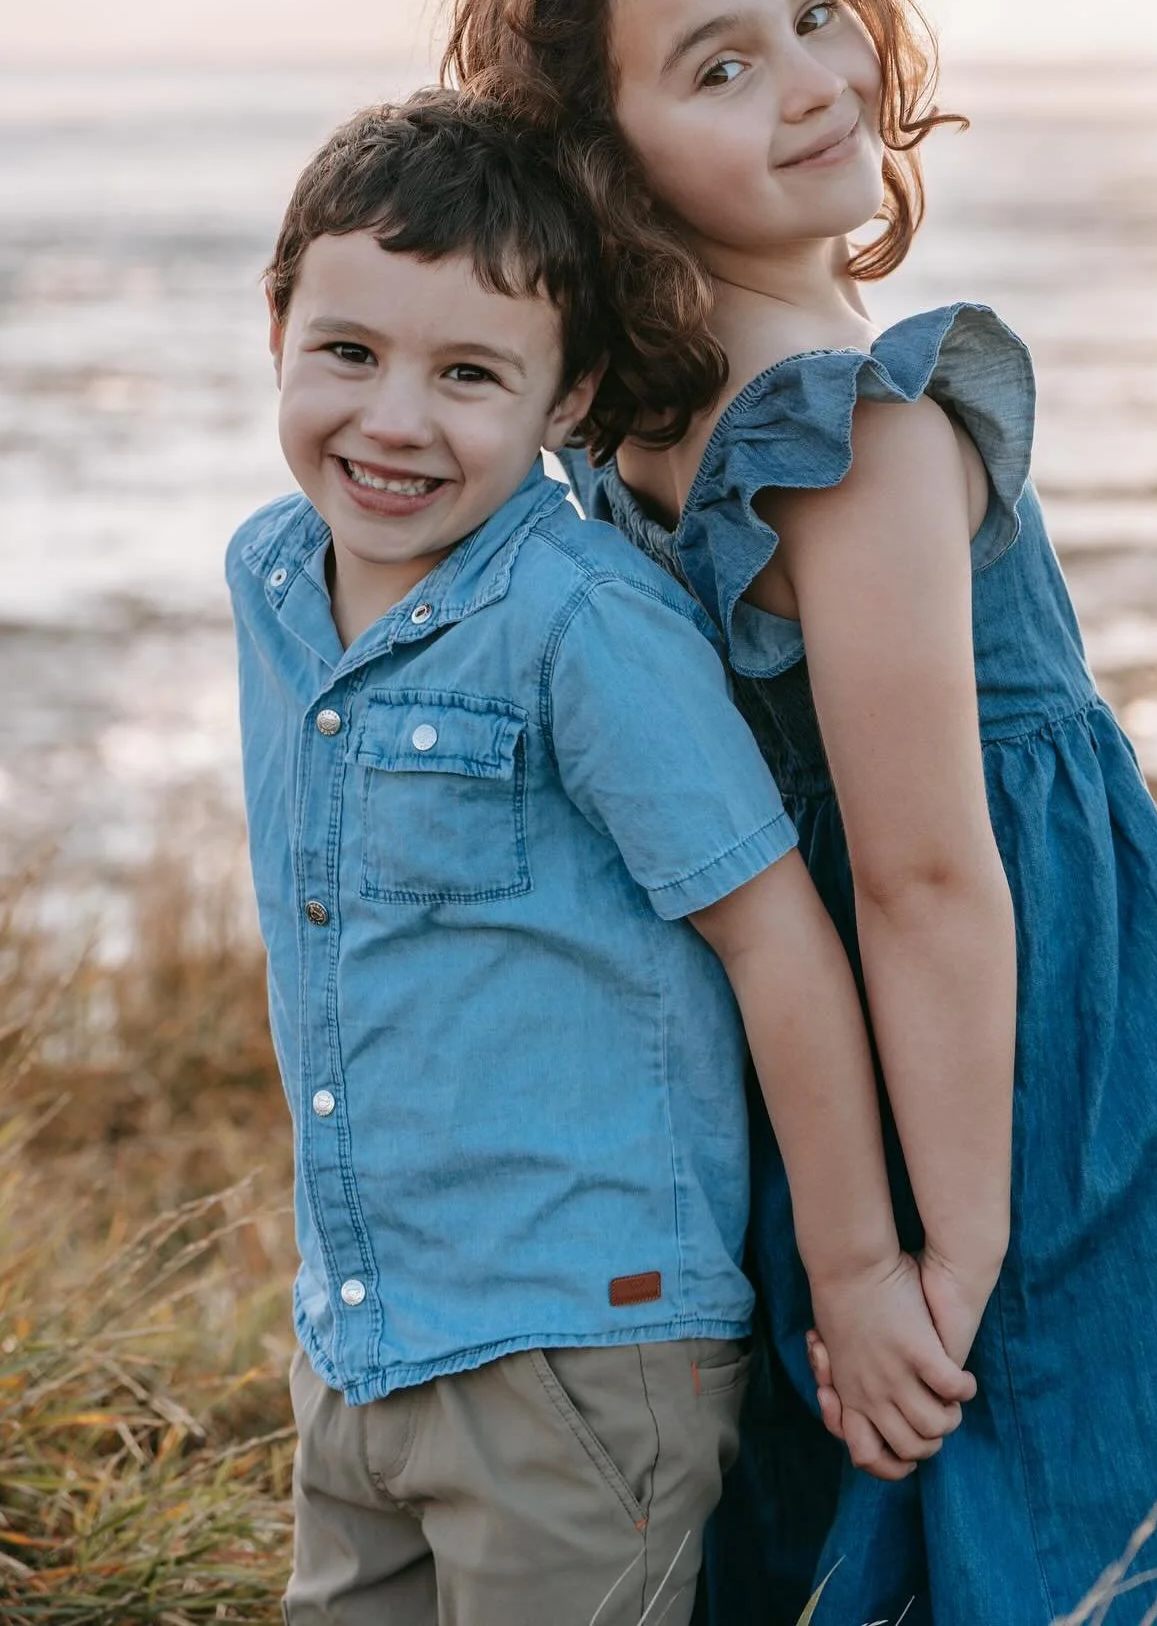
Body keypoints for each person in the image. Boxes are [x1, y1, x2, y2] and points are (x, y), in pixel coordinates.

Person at [442, 0, 1157, 1626]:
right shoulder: (857, 434)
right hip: (1023, 1062)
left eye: (812, 11)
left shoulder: (642, 447)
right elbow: (930, 872)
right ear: (611, 171)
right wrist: (966, 1243)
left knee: (872, 1528)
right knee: (1124, 1466)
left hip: (825, 1083)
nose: (811, 77)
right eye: (720, 66)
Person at [226, 88, 975, 1626]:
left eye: (471, 375)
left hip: (583, 1348)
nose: (393, 420)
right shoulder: (273, 577)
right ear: (279, 328)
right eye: (351, 353)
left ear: (566, 406)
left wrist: (854, 1275)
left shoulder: (583, 629)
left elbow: (774, 942)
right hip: (364, 1326)